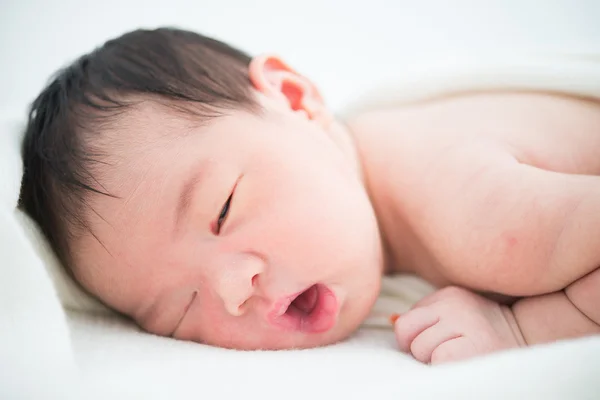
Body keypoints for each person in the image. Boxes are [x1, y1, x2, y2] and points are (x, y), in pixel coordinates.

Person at [19, 27, 600, 363]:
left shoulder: (480, 213)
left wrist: (526, 332)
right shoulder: (356, 200)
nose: (229, 290)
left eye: (222, 210)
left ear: (294, 98)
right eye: (178, 313)